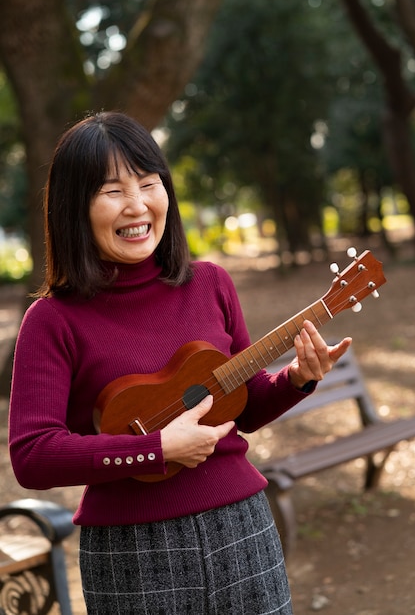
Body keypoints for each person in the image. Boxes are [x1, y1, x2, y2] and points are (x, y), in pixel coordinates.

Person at [8, 111, 351, 615]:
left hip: (243, 527)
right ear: (73, 207)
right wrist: (155, 451)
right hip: (132, 554)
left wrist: (297, 380)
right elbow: (33, 455)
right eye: (112, 191)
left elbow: (240, 403)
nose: (137, 204)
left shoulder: (211, 283)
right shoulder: (52, 320)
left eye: (149, 183)